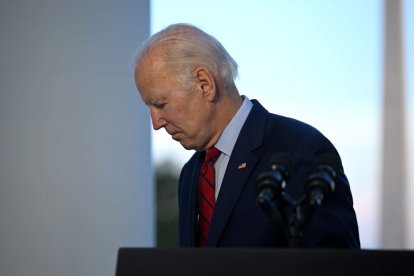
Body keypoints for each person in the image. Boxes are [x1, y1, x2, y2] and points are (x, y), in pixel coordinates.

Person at [134, 23, 360, 248]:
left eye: (160, 104)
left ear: (204, 85)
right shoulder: (191, 173)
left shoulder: (301, 149)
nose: (155, 123)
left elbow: (337, 264)